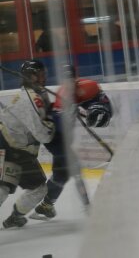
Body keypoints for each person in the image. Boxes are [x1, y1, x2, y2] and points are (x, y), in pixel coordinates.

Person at [29, 64, 113, 220]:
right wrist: (68, 113)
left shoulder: (84, 87)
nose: (67, 82)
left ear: (75, 78)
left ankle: (46, 206)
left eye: (70, 78)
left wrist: (95, 109)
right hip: (56, 140)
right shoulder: (62, 93)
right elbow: (58, 125)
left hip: (59, 141)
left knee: (60, 175)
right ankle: (88, 207)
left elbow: (104, 105)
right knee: (76, 170)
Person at [0, 60, 55, 228]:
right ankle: (16, 216)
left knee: (5, 185)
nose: (44, 78)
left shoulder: (29, 95)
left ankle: (16, 217)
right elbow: (44, 135)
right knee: (11, 186)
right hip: (13, 148)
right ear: (32, 77)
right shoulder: (33, 99)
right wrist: (56, 124)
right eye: (41, 75)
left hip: (8, 144)